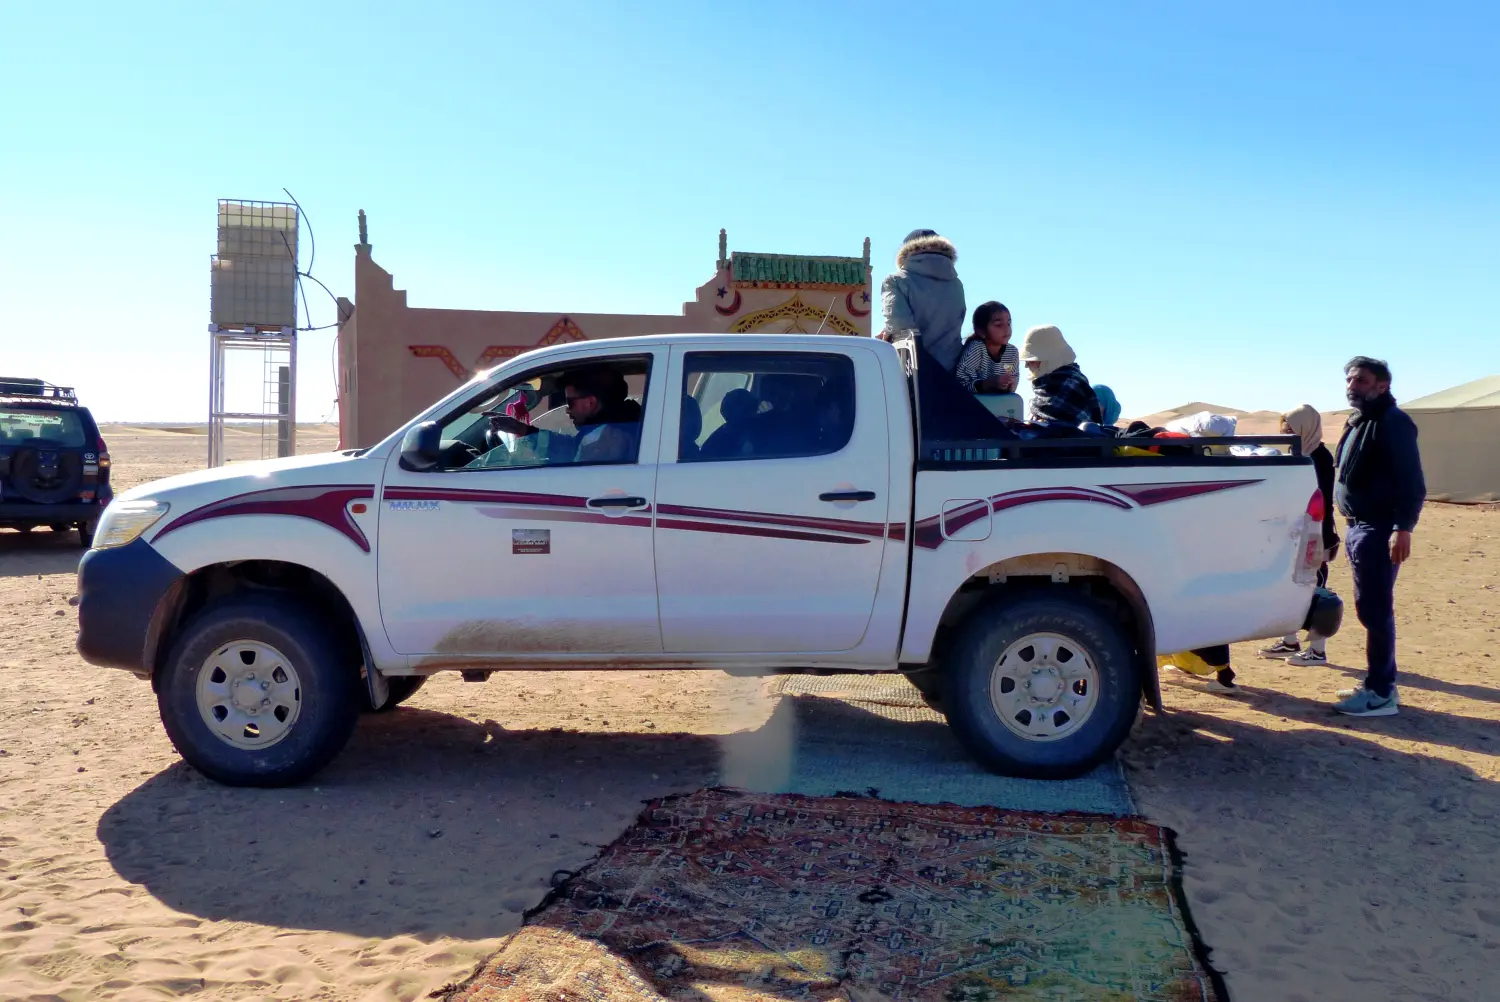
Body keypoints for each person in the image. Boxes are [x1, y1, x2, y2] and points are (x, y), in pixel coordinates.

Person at [1329, 356, 1425, 717]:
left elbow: (1412, 481)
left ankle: (1381, 693)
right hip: (1358, 526)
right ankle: (1378, 683)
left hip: (1379, 528)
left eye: (1361, 381)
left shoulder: (1393, 422)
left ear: (1382, 385)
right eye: (1350, 380)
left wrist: (1404, 528)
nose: (1352, 386)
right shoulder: (1360, 422)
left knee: (1376, 608)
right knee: (1369, 607)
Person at [1259, 404, 1340, 665]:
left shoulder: (1318, 457)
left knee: (1314, 588)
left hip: (1314, 533)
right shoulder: (1301, 455)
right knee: (1289, 587)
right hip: (1296, 532)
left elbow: (1315, 500)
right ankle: (1290, 641)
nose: (1287, 435)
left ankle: (1317, 650)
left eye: (1292, 430)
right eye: (1284, 430)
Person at [486, 366, 639, 465]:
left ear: (590, 403)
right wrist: (524, 430)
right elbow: (570, 447)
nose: (567, 410)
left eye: (570, 403)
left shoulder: (610, 439)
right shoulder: (607, 430)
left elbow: (574, 475)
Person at [877, 228, 967, 373]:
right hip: (952, 377)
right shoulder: (957, 284)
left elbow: (899, 327)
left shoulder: (895, 281)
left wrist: (887, 334)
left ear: (905, 251)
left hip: (913, 377)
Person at [1018, 324, 1103, 426]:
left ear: (1049, 358)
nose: (1026, 366)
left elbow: (1055, 432)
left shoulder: (1070, 385)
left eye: (1032, 360)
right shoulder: (1048, 388)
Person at [955, 301, 1020, 395]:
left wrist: (1010, 384)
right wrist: (988, 383)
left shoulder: (1012, 352)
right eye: (998, 325)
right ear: (981, 331)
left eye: (1009, 323)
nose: (1006, 329)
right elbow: (961, 384)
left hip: (999, 404)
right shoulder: (976, 349)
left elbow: (1013, 382)